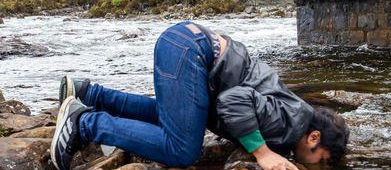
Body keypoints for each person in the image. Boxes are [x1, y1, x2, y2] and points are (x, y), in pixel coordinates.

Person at [50, 21, 349, 170]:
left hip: (185, 42)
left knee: (178, 121)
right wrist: (262, 153)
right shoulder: (288, 124)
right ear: (313, 138)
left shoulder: (295, 116)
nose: (313, 167)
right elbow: (233, 102)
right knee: (182, 149)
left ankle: (89, 94)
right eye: (320, 161)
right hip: (190, 50)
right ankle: (84, 122)